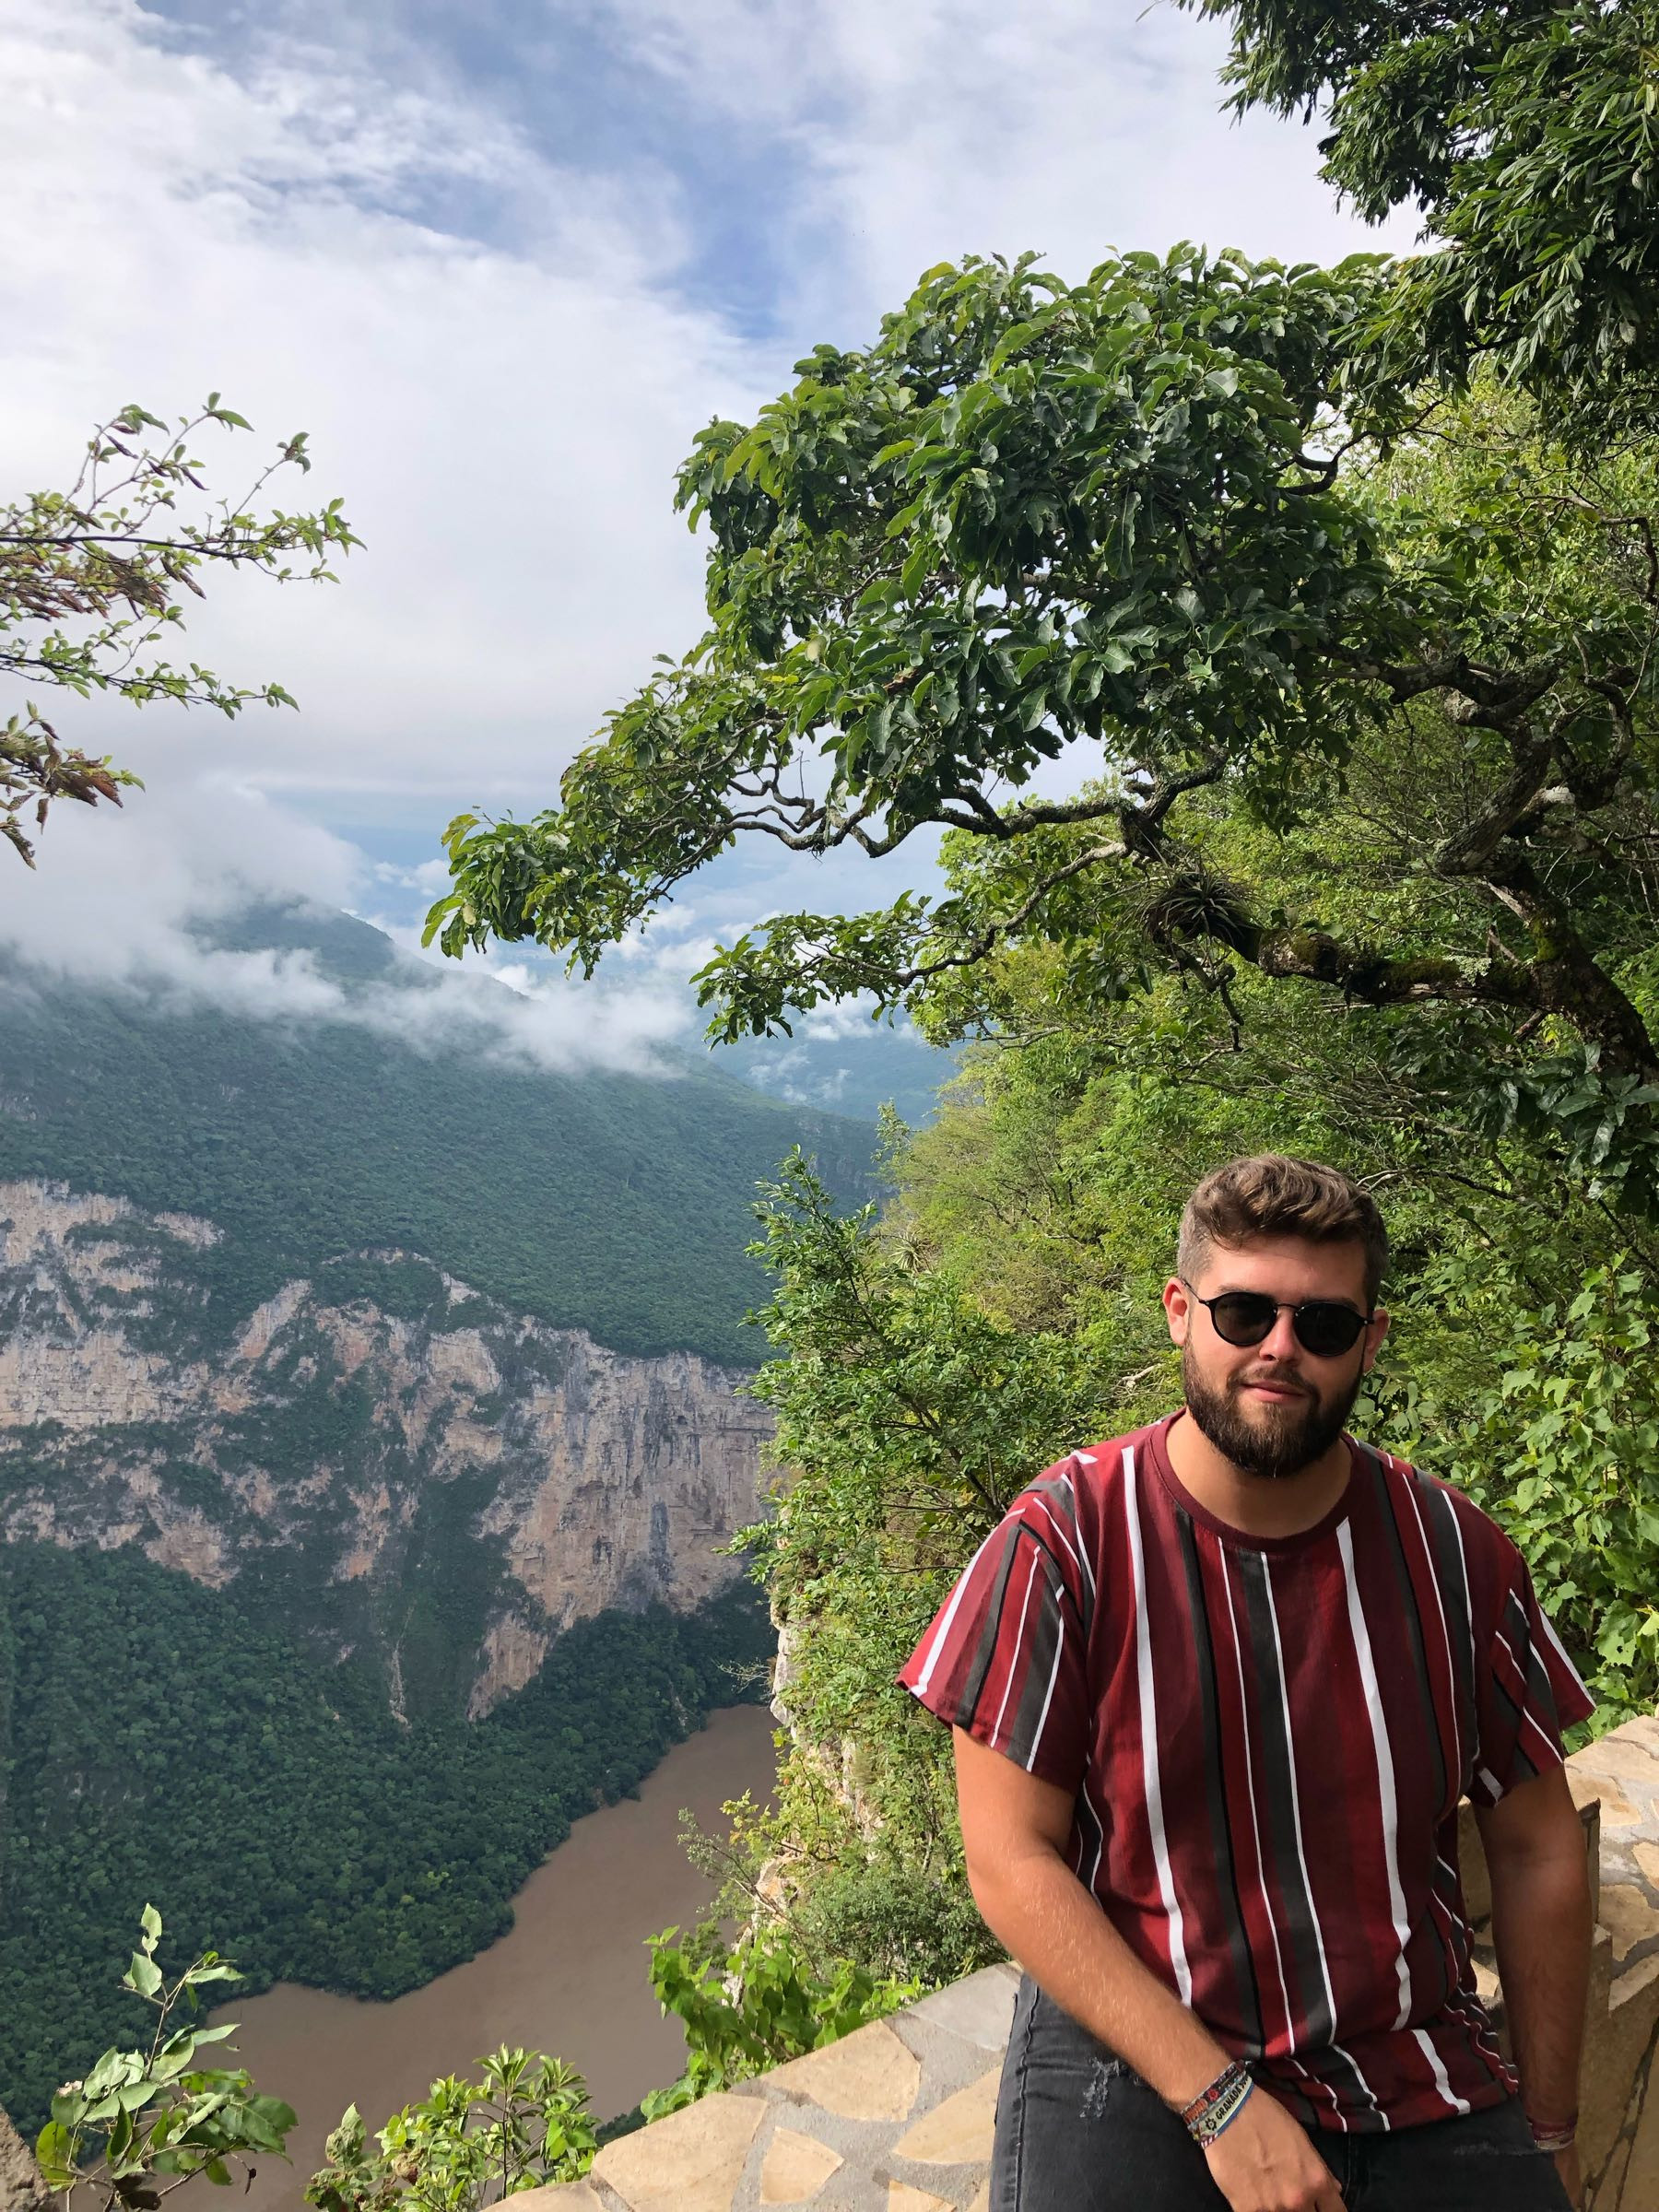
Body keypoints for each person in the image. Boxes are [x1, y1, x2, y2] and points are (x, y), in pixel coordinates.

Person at [900, 1155, 1594, 2212]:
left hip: (1408, 2055)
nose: (1279, 1347)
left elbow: (1539, 1846)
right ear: (1180, 1313)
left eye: (1323, 1324)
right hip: (1136, 2048)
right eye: (1243, 1312)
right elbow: (1008, 1858)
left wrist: (1553, 2127)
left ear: (1370, 1340)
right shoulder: (1068, 1541)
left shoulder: (1455, 1554)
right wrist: (1220, 2102)